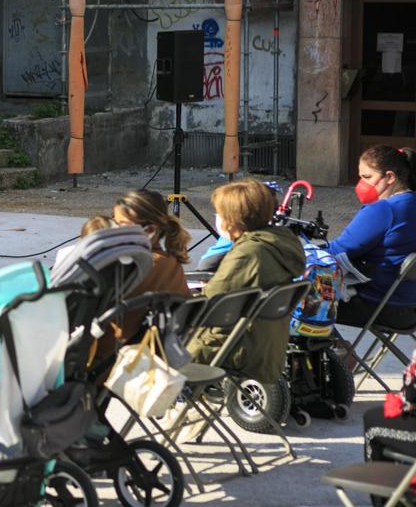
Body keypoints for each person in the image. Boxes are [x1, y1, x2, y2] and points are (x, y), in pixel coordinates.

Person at [186, 179, 304, 383]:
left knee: (149, 341)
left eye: (219, 213)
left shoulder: (248, 253)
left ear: (233, 218)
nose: (217, 219)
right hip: (265, 343)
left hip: (233, 346)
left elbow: (212, 302)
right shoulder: (278, 244)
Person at [328, 145, 416, 330]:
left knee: (299, 300)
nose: (361, 184)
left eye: (367, 177)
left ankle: (335, 346)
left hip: (381, 305)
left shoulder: (384, 209)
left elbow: (337, 251)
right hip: (409, 307)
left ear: (390, 177)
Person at [101, 190, 192, 358]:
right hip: (149, 356)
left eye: (121, 224)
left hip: (115, 358)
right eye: (114, 222)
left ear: (149, 230)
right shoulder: (171, 261)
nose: (113, 229)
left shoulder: (136, 267)